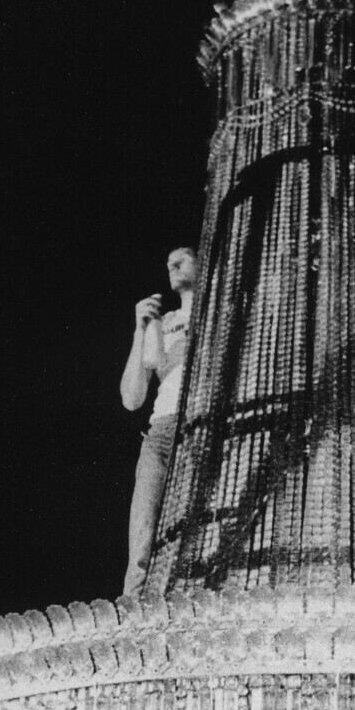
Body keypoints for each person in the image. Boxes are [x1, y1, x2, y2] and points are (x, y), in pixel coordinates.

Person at [120, 245, 196, 596]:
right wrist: (140, 330)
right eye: (168, 262)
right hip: (163, 426)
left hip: (202, 422)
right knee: (144, 518)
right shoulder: (165, 323)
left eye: (182, 258)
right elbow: (132, 399)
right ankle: (132, 600)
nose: (172, 265)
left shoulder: (222, 315)